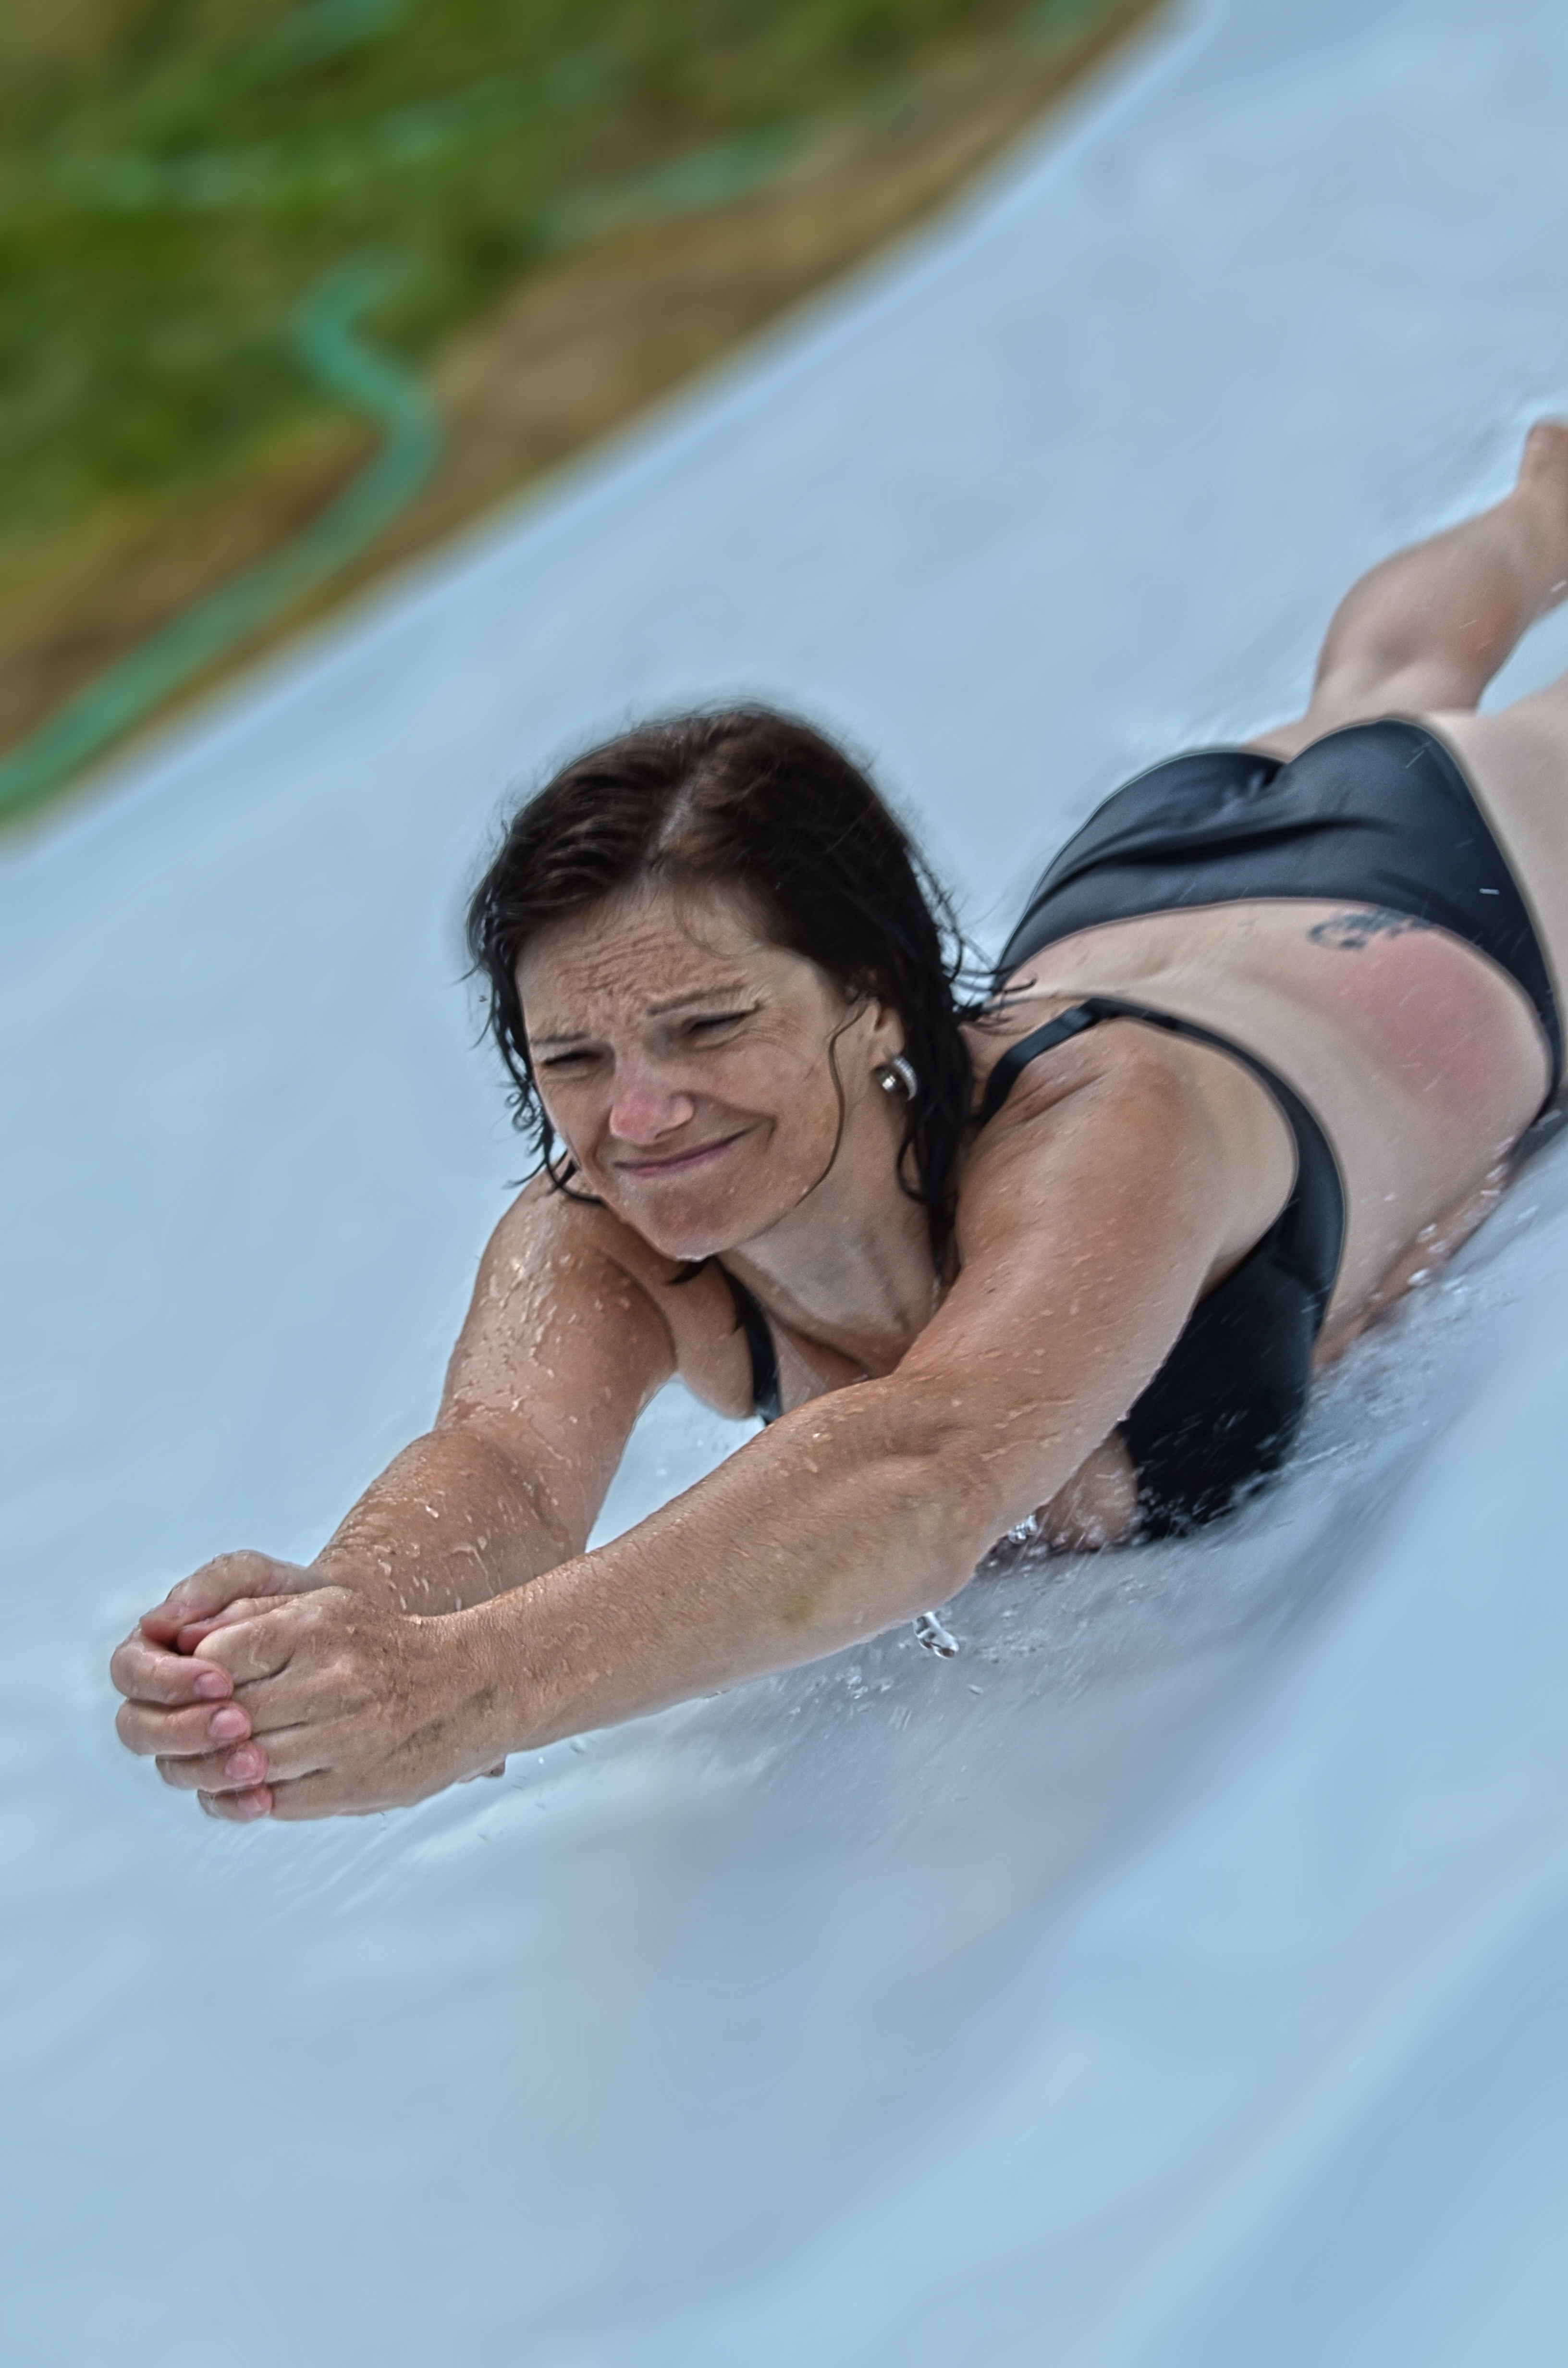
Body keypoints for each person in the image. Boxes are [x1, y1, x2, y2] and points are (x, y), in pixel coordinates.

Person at [112, 423, 1568, 1823]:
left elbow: (927, 1473)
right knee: (1373, 681)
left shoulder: (1105, 1121)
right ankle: (1539, 514)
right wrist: (339, 1627)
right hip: (1134, 891)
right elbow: (503, 1466)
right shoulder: (596, 1228)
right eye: (573, 1057)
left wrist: (462, 1692)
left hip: (1448, 896)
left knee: (1393, 704)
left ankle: (1543, 517)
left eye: (706, 1028)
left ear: (874, 997)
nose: (639, 1115)